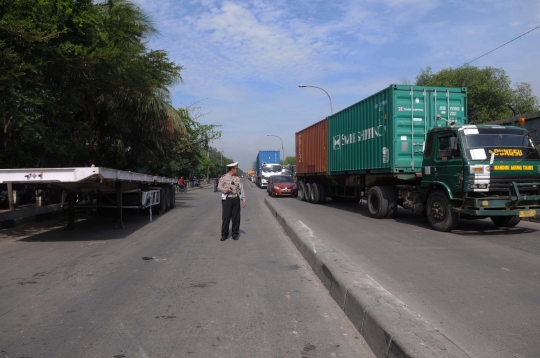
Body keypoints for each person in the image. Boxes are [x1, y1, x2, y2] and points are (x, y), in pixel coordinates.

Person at [217, 162, 246, 241]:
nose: (236, 170)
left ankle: (235, 234)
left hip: (236, 199)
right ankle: (224, 234)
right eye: (236, 168)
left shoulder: (237, 178)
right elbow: (219, 187)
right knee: (226, 217)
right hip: (227, 199)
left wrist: (243, 199)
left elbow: (241, 189)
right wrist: (226, 190)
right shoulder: (224, 178)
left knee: (236, 218)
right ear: (232, 169)